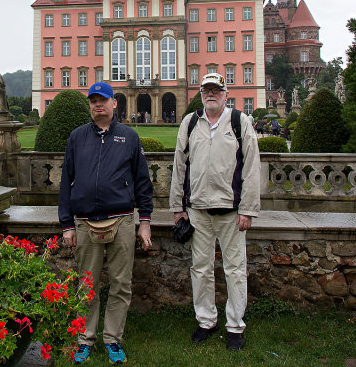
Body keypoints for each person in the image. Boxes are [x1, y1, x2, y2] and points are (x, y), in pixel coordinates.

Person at [59, 81, 154, 364]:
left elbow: (142, 183)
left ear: (115, 104)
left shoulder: (129, 137)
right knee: (87, 284)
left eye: (103, 100)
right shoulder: (77, 137)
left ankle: (112, 339)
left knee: (121, 284)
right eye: (93, 101)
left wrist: (145, 221)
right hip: (86, 222)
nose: (97, 105)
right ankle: (85, 339)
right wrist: (66, 224)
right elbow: (66, 183)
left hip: (122, 221)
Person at [170, 72, 261, 351]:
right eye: (206, 89)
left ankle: (235, 326)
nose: (211, 94)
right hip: (197, 210)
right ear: (200, 92)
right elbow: (179, 166)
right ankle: (206, 320)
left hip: (231, 212)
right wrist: (177, 207)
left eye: (216, 90)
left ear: (225, 93)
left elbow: (252, 168)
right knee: (201, 269)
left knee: (235, 270)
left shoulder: (239, 121)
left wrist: (247, 209)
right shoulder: (190, 122)